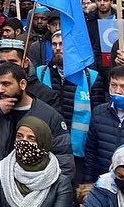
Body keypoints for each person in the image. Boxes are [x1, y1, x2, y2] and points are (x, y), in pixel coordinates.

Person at [0, 62, 74, 193]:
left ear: (22, 84)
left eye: (6, 84)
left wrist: (54, 194)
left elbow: (64, 160)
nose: (0, 90)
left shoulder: (48, 115)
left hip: (32, 194)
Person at [35, 31, 105, 166]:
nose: (57, 48)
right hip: (47, 146)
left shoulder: (92, 77)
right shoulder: (40, 73)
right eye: (54, 44)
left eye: (62, 44)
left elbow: (97, 118)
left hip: (79, 151)